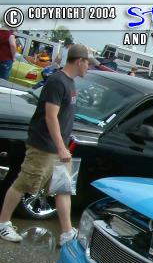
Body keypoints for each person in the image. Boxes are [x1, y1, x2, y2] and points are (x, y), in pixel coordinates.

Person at [0, 44, 90, 245]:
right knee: (23, 183)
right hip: (44, 147)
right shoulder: (58, 82)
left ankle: (67, 233)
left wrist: (64, 146)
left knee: (63, 189)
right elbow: (51, 116)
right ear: (79, 61)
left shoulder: (70, 83)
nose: (89, 67)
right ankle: (3, 223)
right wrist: (60, 147)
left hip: (61, 148)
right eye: (87, 63)